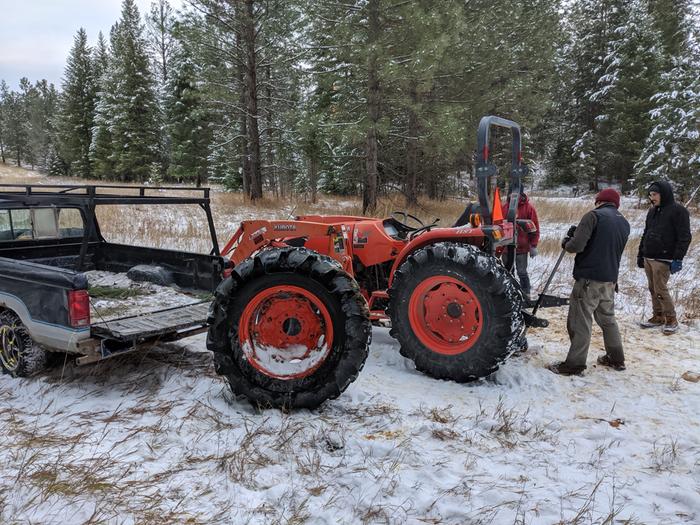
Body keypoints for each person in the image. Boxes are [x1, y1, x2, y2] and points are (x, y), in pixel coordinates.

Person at [549, 188, 630, 376]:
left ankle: (574, 365)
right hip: (610, 280)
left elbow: (576, 246)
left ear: (599, 201)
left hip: (589, 280)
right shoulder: (624, 222)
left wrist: (566, 242)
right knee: (608, 320)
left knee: (580, 321)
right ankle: (616, 358)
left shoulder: (593, 216)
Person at [637, 180, 692, 334]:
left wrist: (678, 258)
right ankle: (658, 316)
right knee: (652, 288)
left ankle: (671, 319)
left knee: (660, 288)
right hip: (649, 256)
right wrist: (641, 254)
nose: (651, 198)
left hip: (664, 258)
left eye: (654, 194)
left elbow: (685, 236)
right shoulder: (652, 211)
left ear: (664, 194)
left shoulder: (678, 211)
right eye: (650, 195)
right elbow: (646, 233)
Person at [502, 192, 540, 300]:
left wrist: (533, 245)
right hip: (506, 247)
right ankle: (510, 295)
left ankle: (526, 294)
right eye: (511, 193)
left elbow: (535, 228)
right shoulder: (504, 207)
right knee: (508, 272)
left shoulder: (529, 208)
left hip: (521, 248)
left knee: (522, 272)